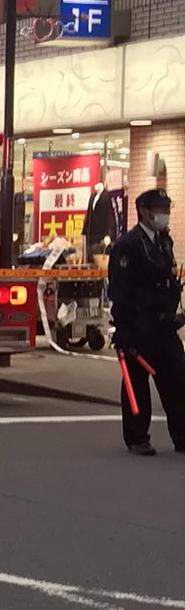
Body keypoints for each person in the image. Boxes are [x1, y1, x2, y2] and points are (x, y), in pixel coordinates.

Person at [107, 187, 185, 456]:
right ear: (143, 211)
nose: (164, 215)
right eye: (160, 210)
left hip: (165, 325)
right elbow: (119, 290)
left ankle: (182, 436)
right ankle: (137, 437)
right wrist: (124, 329)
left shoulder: (164, 241)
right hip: (139, 325)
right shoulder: (127, 245)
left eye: (167, 210)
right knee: (137, 383)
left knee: (177, 379)